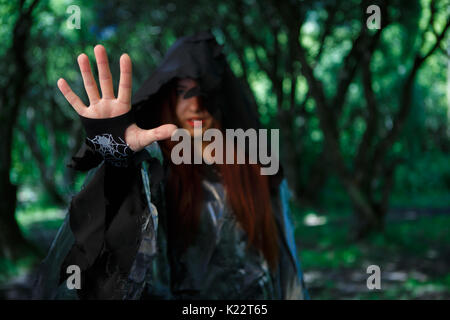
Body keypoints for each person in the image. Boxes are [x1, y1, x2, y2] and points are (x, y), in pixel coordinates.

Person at [32, 30, 309, 300]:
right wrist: (116, 159)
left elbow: (285, 264)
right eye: (182, 91)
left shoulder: (255, 167)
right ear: (167, 96)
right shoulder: (153, 169)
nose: (196, 105)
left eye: (205, 91)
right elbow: (112, 242)